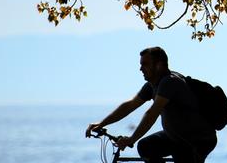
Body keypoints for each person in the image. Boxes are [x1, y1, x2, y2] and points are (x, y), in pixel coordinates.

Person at [85, 47, 217, 163]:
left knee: (181, 153)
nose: (141, 68)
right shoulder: (152, 85)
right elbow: (130, 105)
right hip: (177, 137)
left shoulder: (169, 82)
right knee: (146, 146)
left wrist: (132, 139)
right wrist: (102, 123)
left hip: (197, 140)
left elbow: (152, 113)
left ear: (159, 65)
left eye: (145, 64)